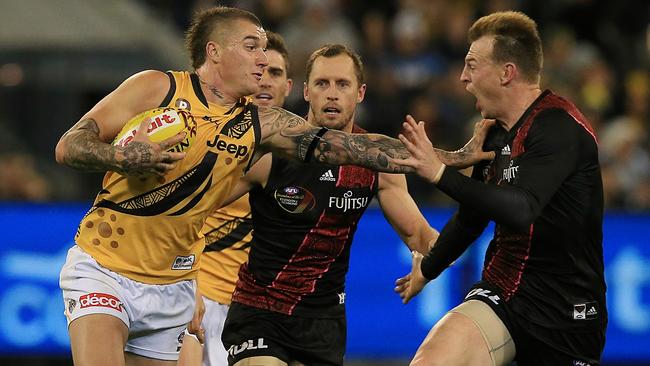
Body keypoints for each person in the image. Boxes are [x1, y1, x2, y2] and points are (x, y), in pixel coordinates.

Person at [54, 6, 488, 366]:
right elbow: (68, 145)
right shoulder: (156, 87)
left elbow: (353, 148)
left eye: (265, 49)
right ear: (215, 52)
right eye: (252, 47)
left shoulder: (261, 125)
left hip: (172, 287)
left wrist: (447, 159)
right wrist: (122, 157)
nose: (262, 58)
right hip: (106, 265)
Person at [394, 11, 607, 366]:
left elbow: (522, 209)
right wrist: (428, 269)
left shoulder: (559, 127)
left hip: (566, 314)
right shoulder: (494, 134)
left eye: (472, 65)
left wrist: (439, 173)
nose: (463, 78)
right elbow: (471, 219)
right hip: (502, 292)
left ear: (507, 72)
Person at [219, 43, 440, 366]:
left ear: (360, 93)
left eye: (342, 84)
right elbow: (198, 205)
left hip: (323, 321)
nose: (332, 94)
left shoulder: (374, 162)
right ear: (306, 91)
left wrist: (428, 259)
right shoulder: (273, 150)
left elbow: (420, 234)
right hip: (260, 311)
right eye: (322, 84)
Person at [177, 30, 294, 366]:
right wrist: (186, 282)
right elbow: (175, 213)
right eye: (260, 70)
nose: (266, 80)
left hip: (261, 312)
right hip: (202, 297)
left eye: (276, 73)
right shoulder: (208, 137)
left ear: (288, 86)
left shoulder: (301, 158)